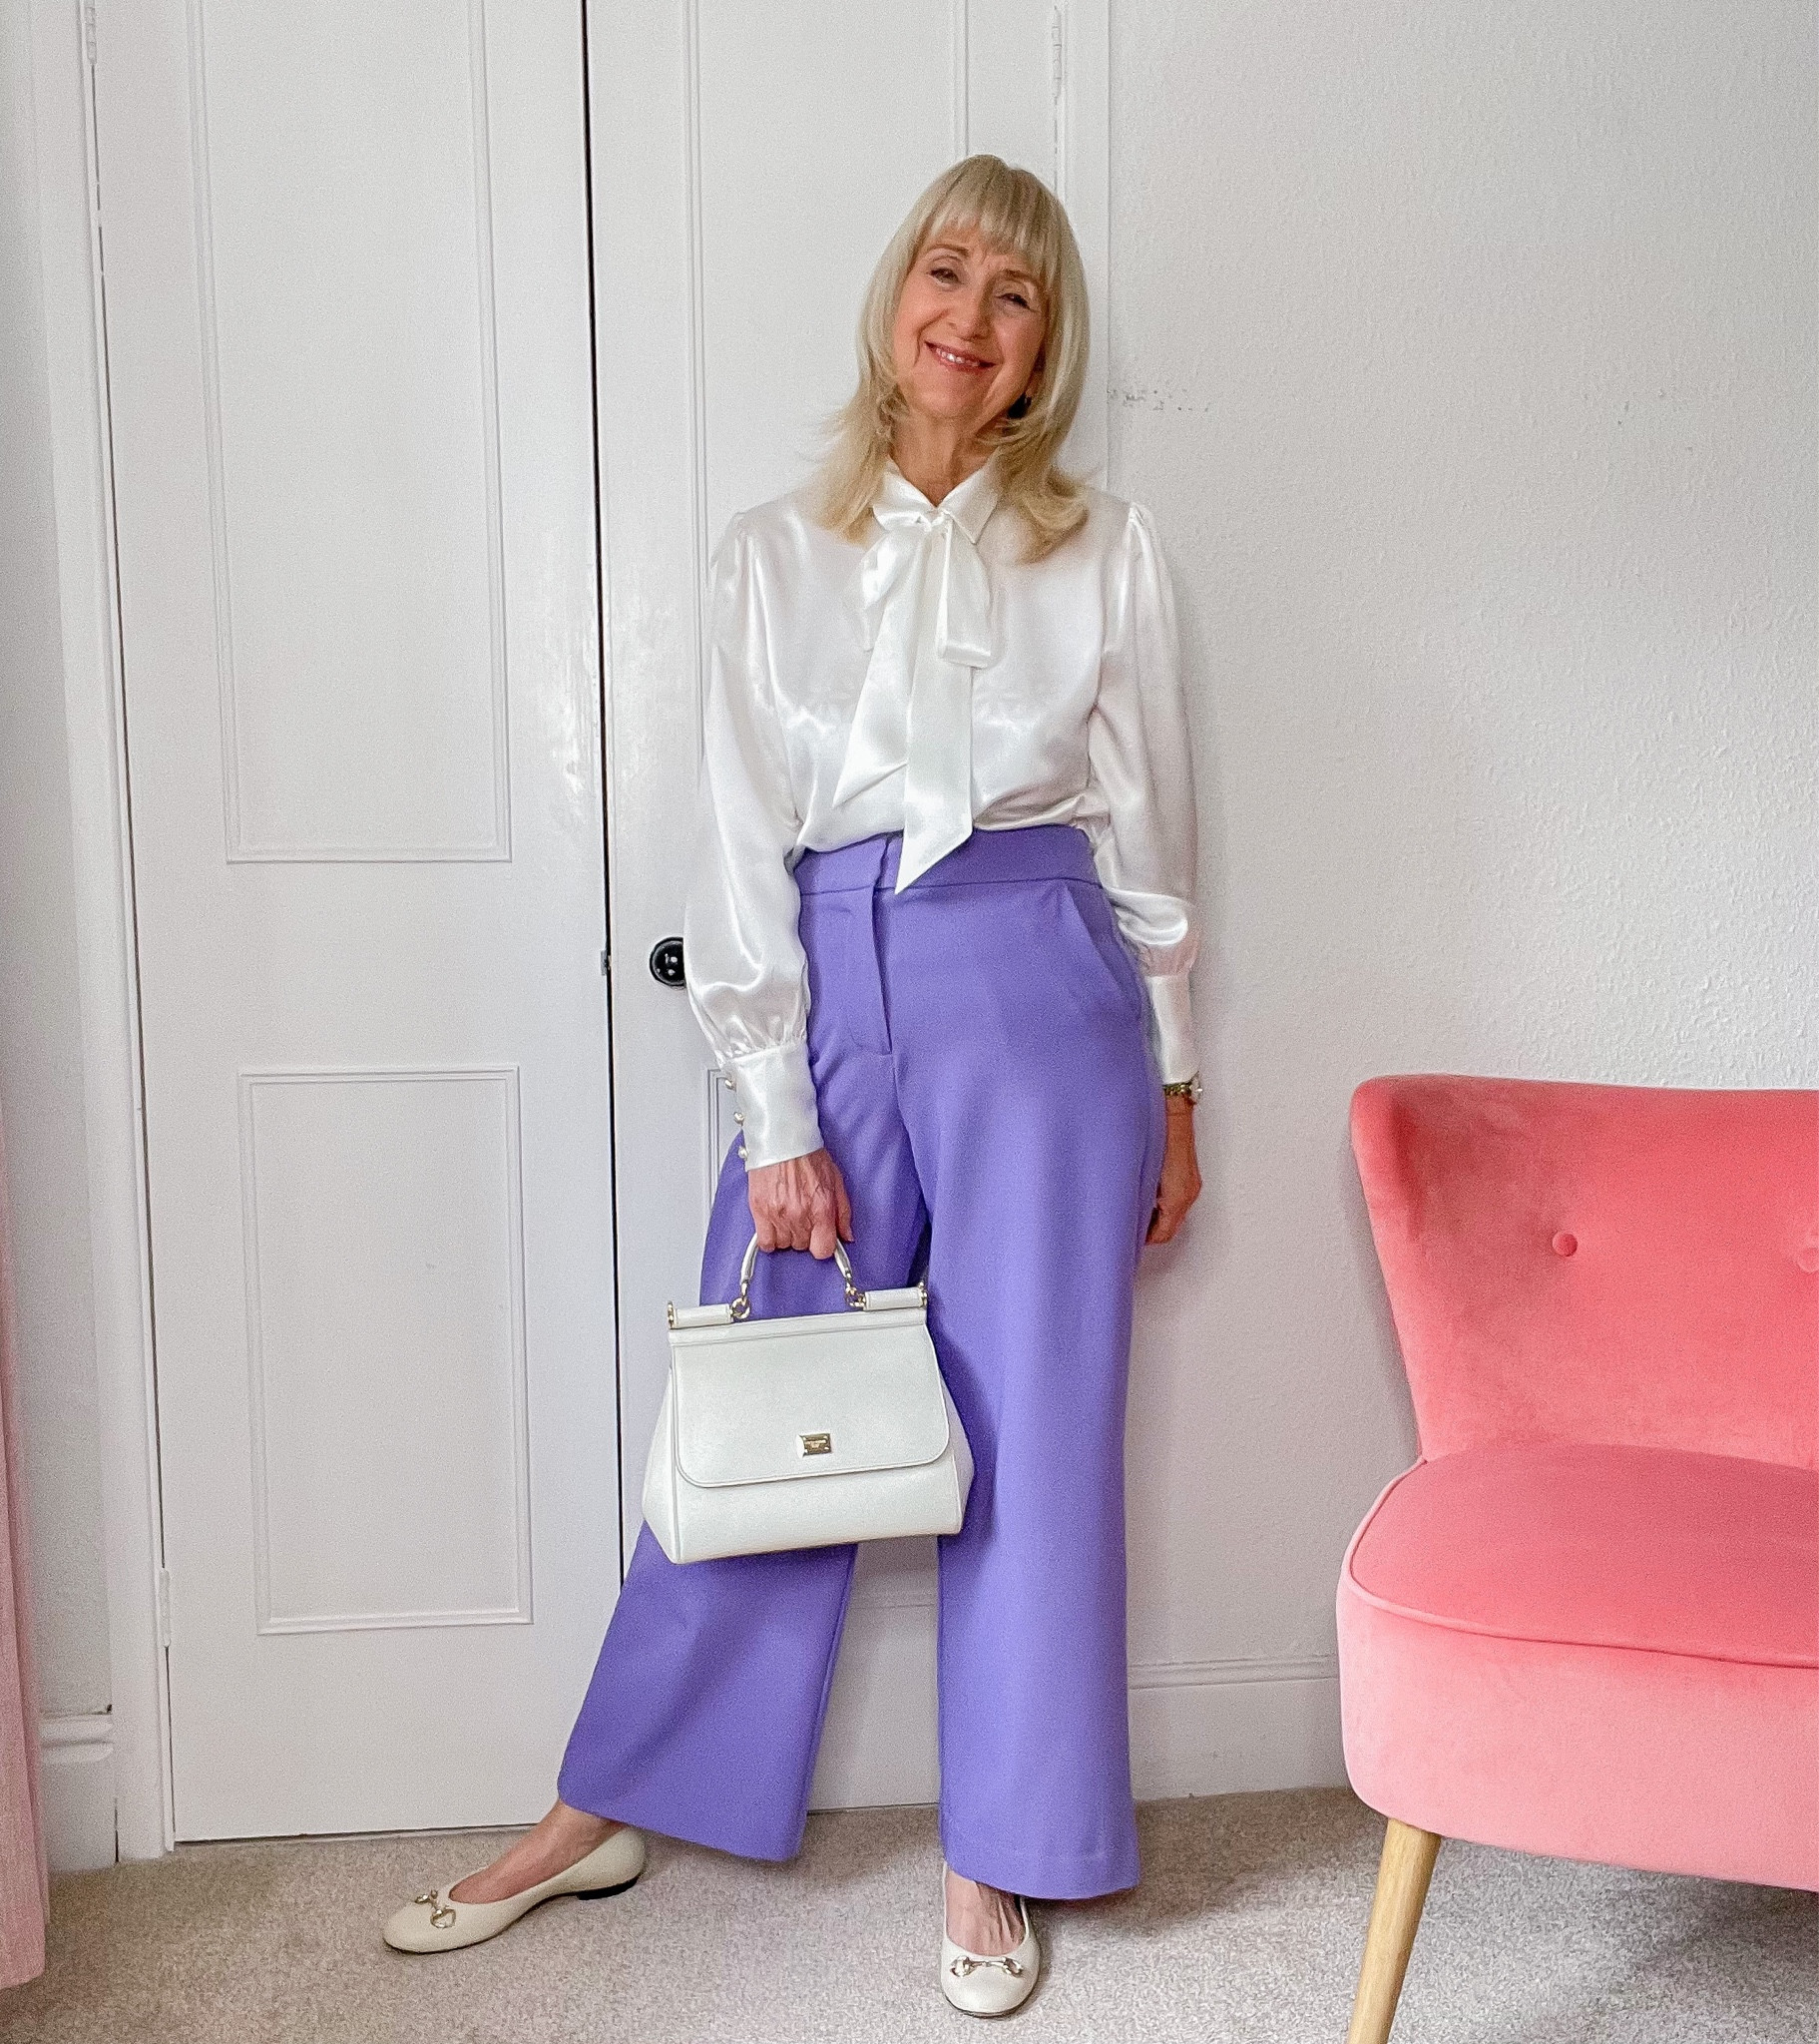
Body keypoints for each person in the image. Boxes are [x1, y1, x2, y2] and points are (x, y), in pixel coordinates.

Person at [384, 152, 1202, 2019]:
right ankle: (611, 1798)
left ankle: (1005, 1853)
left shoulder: (1108, 550)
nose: (971, 318)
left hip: (1042, 985)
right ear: (896, 297)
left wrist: (1174, 1080)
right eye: (948, 272)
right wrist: (777, 1114)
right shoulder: (775, 549)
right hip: (831, 983)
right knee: (771, 1405)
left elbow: (1151, 834)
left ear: (1042, 348)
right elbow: (740, 839)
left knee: (1042, 1436)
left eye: (1015, 296)